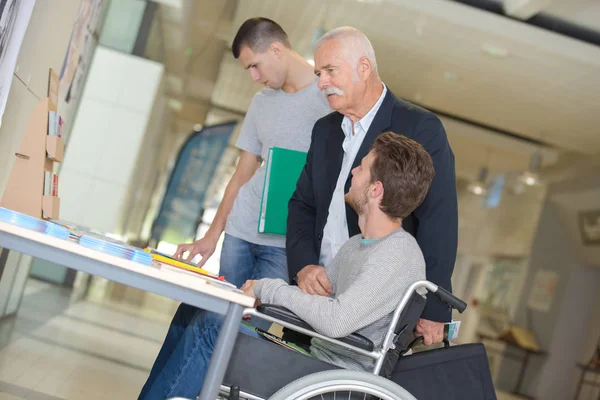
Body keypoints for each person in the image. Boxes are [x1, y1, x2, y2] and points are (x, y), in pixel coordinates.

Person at [139, 131, 436, 399]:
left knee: (212, 327)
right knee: (198, 312)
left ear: (375, 190)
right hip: (312, 358)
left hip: (331, 377)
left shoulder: (396, 255)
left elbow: (336, 321)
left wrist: (269, 289)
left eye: (363, 167)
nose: (354, 170)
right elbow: (316, 301)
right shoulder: (357, 245)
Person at [138, 18, 330, 399]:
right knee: (203, 319)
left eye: (255, 65)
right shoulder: (261, 104)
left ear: (277, 49)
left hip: (284, 245)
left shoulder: (328, 100)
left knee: (239, 332)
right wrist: (212, 235)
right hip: (241, 234)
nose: (254, 77)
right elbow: (243, 173)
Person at [286, 26, 458, 346]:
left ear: (363, 68)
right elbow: (303, 204)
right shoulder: (325, 130)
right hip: (315, 292)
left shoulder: (419, 127)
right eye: (318, 72)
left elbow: (440, 219)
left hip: (370, 307)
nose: (321, 82)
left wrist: (435, 307)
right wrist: (303, 266)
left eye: (330, 71)